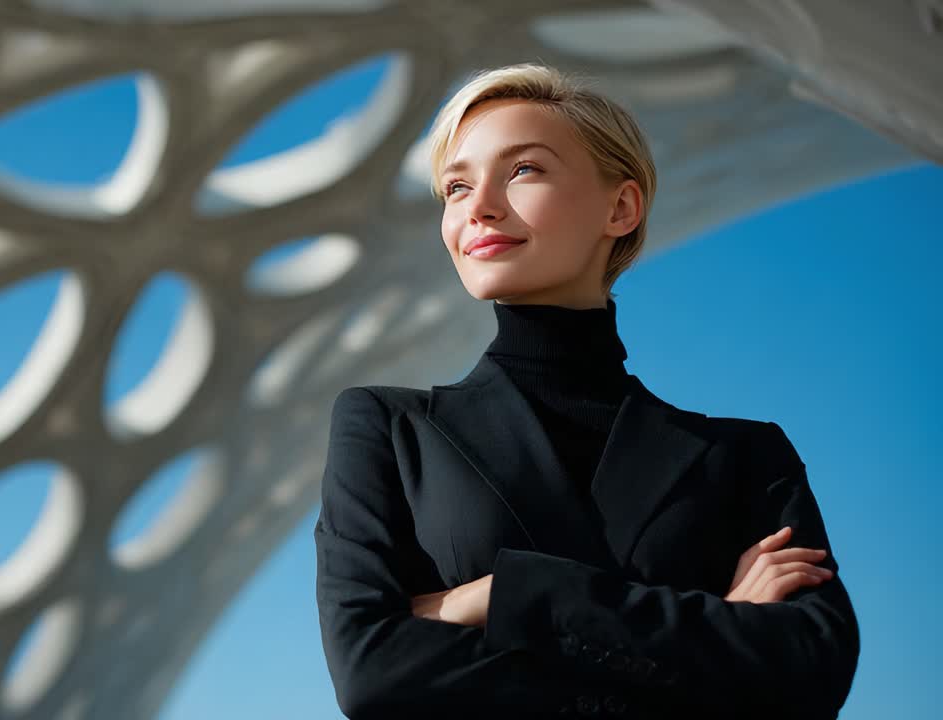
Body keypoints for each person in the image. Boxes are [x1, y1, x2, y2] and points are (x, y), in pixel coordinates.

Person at [313, 63, 859, 719]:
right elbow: (372, 674)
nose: (479, 204)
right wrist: (713, 632)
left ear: (620, 207)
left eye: (522, 171)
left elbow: (810, 672)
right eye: (456, 186)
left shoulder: (745, 457)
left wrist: (510, 594)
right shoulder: (389, 428)